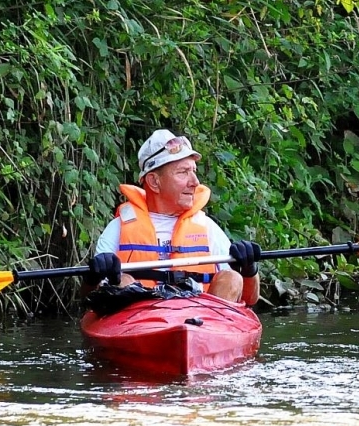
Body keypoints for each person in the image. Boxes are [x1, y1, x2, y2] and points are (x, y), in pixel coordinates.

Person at [85, 130, 260, 306]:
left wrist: (249, 268)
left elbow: (250, 299)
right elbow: (88, 298)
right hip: (140, 321)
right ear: (154, 181)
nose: (195, 182)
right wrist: (94, 277)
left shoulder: (207, 228)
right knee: (122, 282)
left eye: (194, 171)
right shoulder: (118, 229)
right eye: (183, 172)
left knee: (232, 277)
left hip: (203, 320)